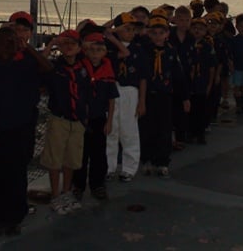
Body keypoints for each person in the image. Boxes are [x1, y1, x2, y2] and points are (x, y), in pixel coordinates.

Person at [0, 26, 52, 237]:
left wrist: (28, 48)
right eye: (3, 41)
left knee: (16, 177)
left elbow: (48, 69)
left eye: (12, 41)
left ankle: (13, 219)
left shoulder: (27, 65)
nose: (7, 45)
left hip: (21, 130)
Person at [40, 29, 91, 215]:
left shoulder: (83, 68)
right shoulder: (54, 68)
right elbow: (39, 65)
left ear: (79, 48)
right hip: (59, 118)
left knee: (71, 159)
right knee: (55, 159)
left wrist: (85, 118)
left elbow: (86, 93)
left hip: (77, 120)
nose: (68, 47)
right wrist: (52, 43)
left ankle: (66, 191)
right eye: (65, 44)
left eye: (72, 44)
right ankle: (55, 195)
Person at [139, 16, 189, 178]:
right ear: (149, 34)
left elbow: (179, 76)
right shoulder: (144, 50)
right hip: (147, 95)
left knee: (165, 129)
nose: (158, 36)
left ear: (167, 33)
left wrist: (185, 98)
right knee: (146, 129)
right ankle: (146, 159)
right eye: (154, 33)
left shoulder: (171, 52)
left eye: (161, 32)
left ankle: (162, 162)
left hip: (165, 95)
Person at [72, 32, 118, 201]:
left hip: (99, 118)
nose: (95, 53)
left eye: (99, 49)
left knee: (99, 154)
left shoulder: (107, 71)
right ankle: (78, 185)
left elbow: (112, 98)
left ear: (104, 52)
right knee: (80, 154)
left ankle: (97, 185)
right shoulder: (80, 68)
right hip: (82, 118)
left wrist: (110, 120)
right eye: (92, 49)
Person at [105, 12, 148, 181]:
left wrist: (142, 101)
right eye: (126, 29)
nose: (130, 33)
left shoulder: (138, 49)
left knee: (129, 130)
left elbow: (143, 77)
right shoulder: (109, 47)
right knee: (111, 129)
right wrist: (114, 33)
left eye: (132, 29)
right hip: (112, 89)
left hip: (130, 90)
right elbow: (102, 32)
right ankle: (109, 166)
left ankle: (129, 168)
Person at [187, 17, 217, 144]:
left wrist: (210, 83)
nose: (197, 31)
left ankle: (200, 133)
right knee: (190, 109)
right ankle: (190, 132)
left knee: (202, 109)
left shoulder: (207, 47)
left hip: (202, 82)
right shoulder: (187, 44)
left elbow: (211, 67)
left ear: (205, 31)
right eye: (194, 28)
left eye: (200, 29)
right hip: (189, 83)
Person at [168, 5, 193, 149]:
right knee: (169, 109)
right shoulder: (169, 35)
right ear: (175, 20)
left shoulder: (191, 38)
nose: (184, 23)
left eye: (187, 20)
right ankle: (170, 138)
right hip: (170, 76)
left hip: (185, 78)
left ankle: (180, 137)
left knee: (183, 108)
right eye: (181, 20)